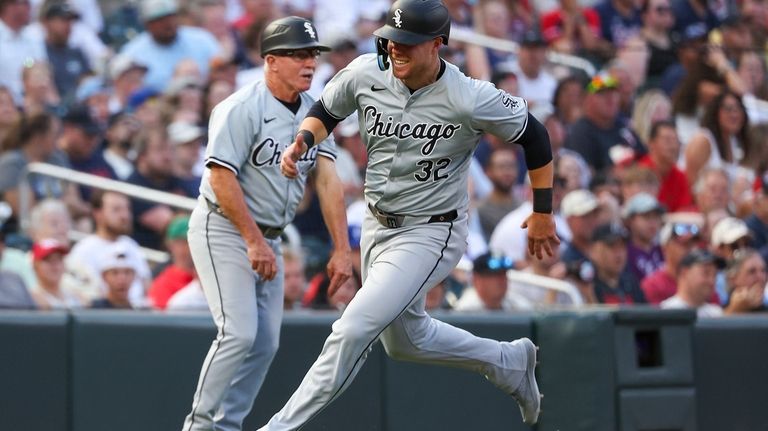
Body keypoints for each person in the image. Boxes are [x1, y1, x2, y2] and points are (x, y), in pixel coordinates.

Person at [266, 1, 560, 428]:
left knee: (352, 330)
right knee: (405, 341)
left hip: (431, 231)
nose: (396, 49)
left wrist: (543, 212)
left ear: (437, 44)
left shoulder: (470, 96)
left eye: (407, 42)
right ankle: (507, 361)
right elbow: (326, 112)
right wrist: (302, 141)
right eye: (391, 39)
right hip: (376, 223)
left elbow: (535, 135)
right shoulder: (367, 72)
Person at [181, 16, 351, 431]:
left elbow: (327, 180)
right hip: (224, 227)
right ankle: (199, 426)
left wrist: (342, 248)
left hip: (269, 235)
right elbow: (221, 176)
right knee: (237, 334)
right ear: (271, 61)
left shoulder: (315, 113)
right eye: (298, 55)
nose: (309, 62)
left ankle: (226, 426)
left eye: (312, 54)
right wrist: (253, 241)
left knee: (264, 344)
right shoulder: (240, 108)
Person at [148, 215, 195, 310]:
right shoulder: (163, 282)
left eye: (190, 241)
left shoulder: (208, 277)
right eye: (181, 242)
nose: (186, 248)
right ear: (170, 244)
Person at [661, 248, 723, 317]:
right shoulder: (666, 312)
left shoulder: (717, 313)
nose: (712, 281)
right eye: (706, 273)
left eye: (714, 275)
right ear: (684, 273)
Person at [89, 243, 136, 309]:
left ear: (134, 276)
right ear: (104, 276)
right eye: (115, 273)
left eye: (127, 272)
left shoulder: (142, 310)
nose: (122, 279)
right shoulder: (94, 309)